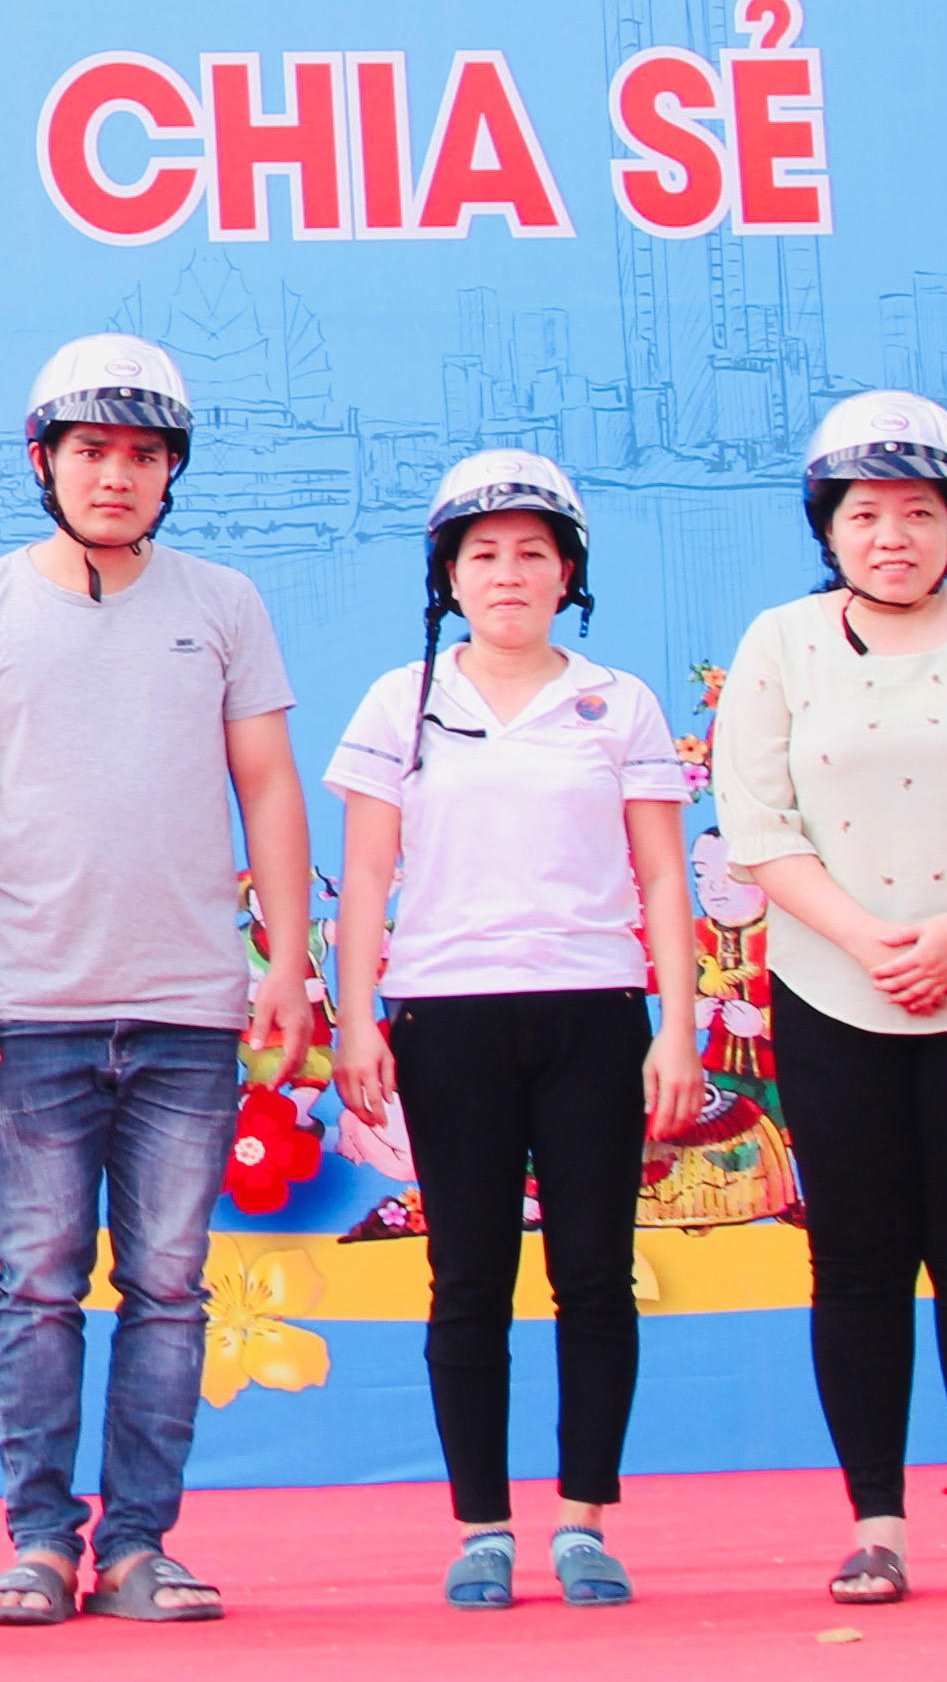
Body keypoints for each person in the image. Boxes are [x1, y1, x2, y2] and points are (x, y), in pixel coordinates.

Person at [0, 335, 311, 1627]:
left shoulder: (223, 601)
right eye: (90, 450)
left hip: (191, 1009)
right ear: (43, 460)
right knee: (35, 1283)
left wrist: (286, 960)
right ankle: (37, 1540)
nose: (116, 475)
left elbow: (267, 786)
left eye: (142, 453)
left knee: (169, 1288)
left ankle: (137, 1545)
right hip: (30, 1008)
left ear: (172, 469)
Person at [716, 390, 947, 1609]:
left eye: (917, 512)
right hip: (833, 991)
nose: (890, 536)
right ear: (826, 526)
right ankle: (873, 1524)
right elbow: (757, 825)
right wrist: (867, 940)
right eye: (864, 513)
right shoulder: (779, 640)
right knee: (856, 1262)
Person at [325, 452, 704, 1612]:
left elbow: (660, 875)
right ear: (446, 573)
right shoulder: (400, 700)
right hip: (445, 1019)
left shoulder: (617, 701)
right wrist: (356, 1019)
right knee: (466, 1278)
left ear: (566, 573)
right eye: (480, 552)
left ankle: (583, 1521)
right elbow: (366, 873)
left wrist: (676, 1029)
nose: (506, 573)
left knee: (592, 1275)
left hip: (593, 1015)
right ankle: (480, 1528)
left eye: (531, 552)